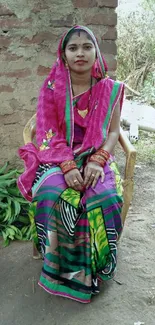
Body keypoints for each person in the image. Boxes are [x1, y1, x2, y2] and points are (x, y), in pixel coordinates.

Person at [18, 25, 124, 303]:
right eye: (73, 47)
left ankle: (98, 268)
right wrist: (67, 165)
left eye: (86, 47)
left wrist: (98, 159)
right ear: (63, 55)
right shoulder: (53, 86)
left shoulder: (109, 89)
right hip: (55, 156)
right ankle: (59, 270)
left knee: (104, 197)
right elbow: (46, 133)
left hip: (96, 155)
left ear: (96, 53)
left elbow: (113, 132)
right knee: (53, 194)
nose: (80, 53)